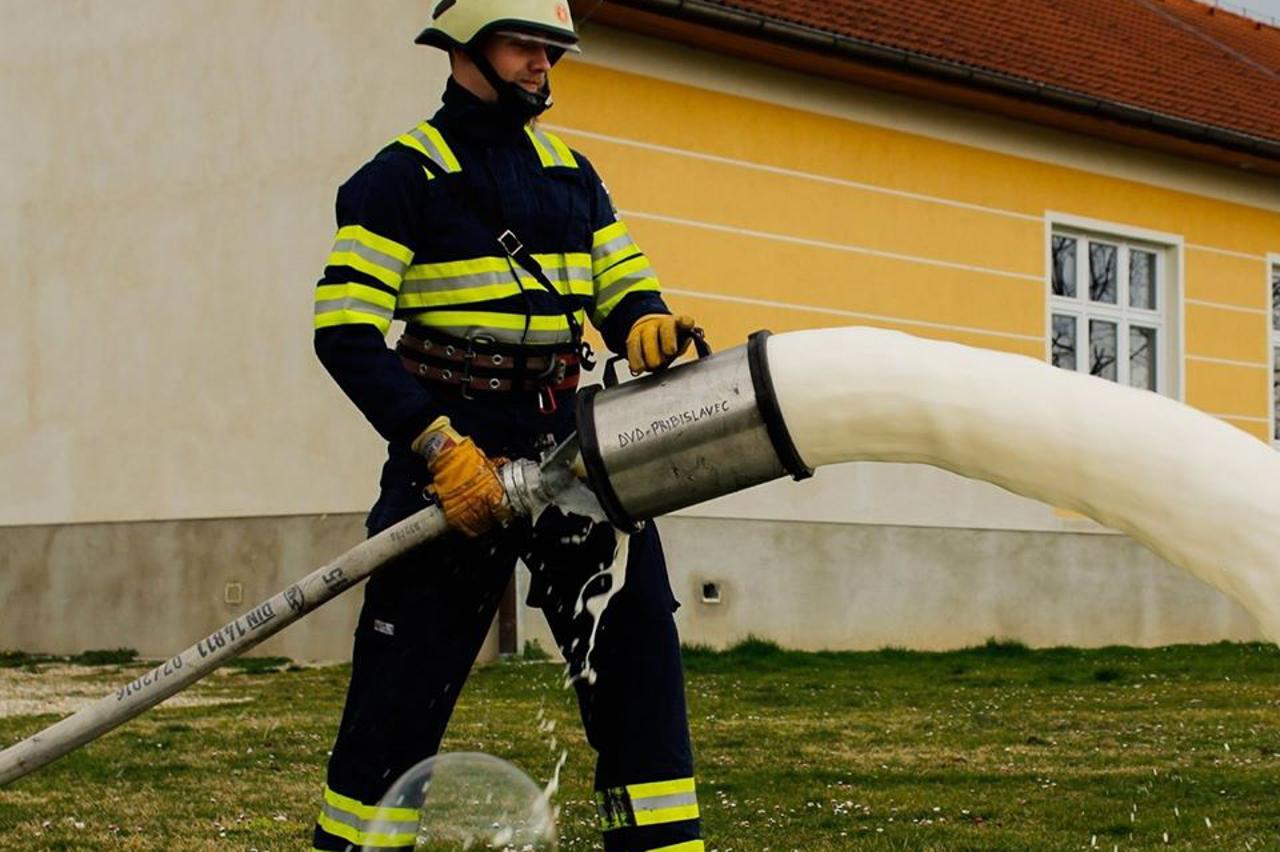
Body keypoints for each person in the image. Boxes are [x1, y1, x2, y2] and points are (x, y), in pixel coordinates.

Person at [309, 2, 705, 850]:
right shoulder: (399, 178)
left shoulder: (572, 175)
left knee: (638, 664)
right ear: (467, 46)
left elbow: (624, 285)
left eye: (552, 49)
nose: (542, 65)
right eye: (524, 44)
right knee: (397, 697)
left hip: (570, 445)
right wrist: (438, 448)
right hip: (450, 450)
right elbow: (344, 333)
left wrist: (645, 323)